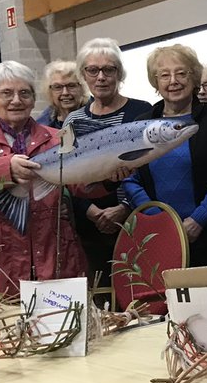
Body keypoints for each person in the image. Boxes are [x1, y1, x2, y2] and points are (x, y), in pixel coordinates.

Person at [0, 61, 88, 295]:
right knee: (2, 325)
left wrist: (109, 175)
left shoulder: (58, 137)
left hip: (53, 249)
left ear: (33, 99)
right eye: (6, 93)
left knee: (59, 323)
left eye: (24, 93)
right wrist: (5, 168)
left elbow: (82, 186)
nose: (16, 100)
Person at [123, 44, 207, 266]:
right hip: (159, 239)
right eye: (164, 75)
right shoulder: (141, 125)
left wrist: (199, 219)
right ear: (155, 82)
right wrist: (160, 221)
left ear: (194, 77)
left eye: (181, 73)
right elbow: (130, 178)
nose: (173, 81)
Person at [65, 38, 153, 288]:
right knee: (99, 295)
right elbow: (67, 173)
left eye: (109, 69)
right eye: (93, 70)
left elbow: (147, 170)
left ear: (119, 73)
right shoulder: (73, 119)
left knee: (138, 291)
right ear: (84, 75)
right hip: (88, 224)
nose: (101, 77)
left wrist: (124, 207)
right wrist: (91, 212)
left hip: (133, 219)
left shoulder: (141, 111)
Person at [35, 60, 87, 129]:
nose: (65, 93)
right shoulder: (42, 125)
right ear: (49, 91)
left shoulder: (95, 116)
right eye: (57, 87)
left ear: (82, 88)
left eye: (71, 86)